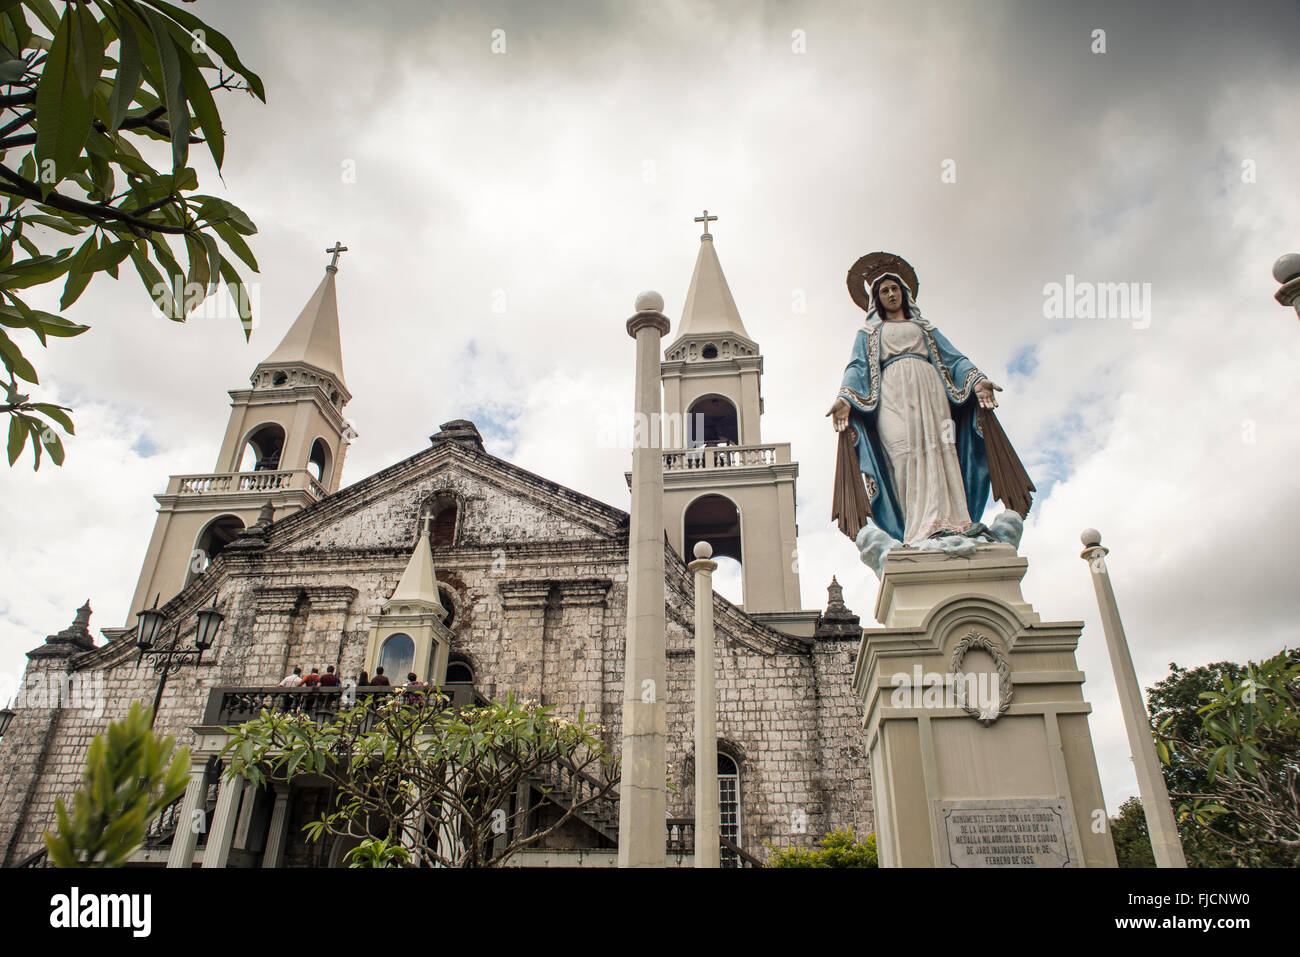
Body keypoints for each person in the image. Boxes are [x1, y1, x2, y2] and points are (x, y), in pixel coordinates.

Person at [828, 254, 1012, 546]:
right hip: (891, 394)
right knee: (901, 454)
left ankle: (954, 522)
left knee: (939, 450)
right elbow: (858, 367)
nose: (890, 294)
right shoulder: (870, 333)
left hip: (929, 391)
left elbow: (954, 359)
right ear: (876, 298)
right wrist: (845, 399)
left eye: (894, 289)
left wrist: (977, 381)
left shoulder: (924, 329)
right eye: (884, 291)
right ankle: (916, 528)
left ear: (904, 293)